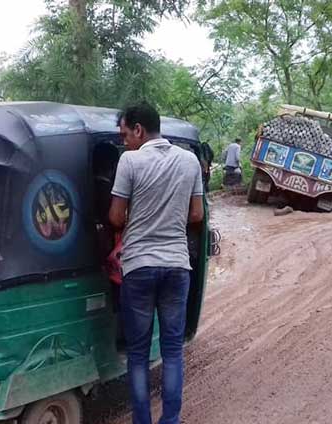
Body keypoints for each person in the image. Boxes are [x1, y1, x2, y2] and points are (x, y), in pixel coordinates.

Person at [109, 102, 204, 424]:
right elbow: (197, 215)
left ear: (139, 129)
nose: (124, 142)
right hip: (177, 266)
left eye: (125, 134)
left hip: (139, 266)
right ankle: (171, 420)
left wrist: (138, 216)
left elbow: (115, 217)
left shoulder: (130, 161)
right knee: (173, 350)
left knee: (137, 354)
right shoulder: (189, 160)